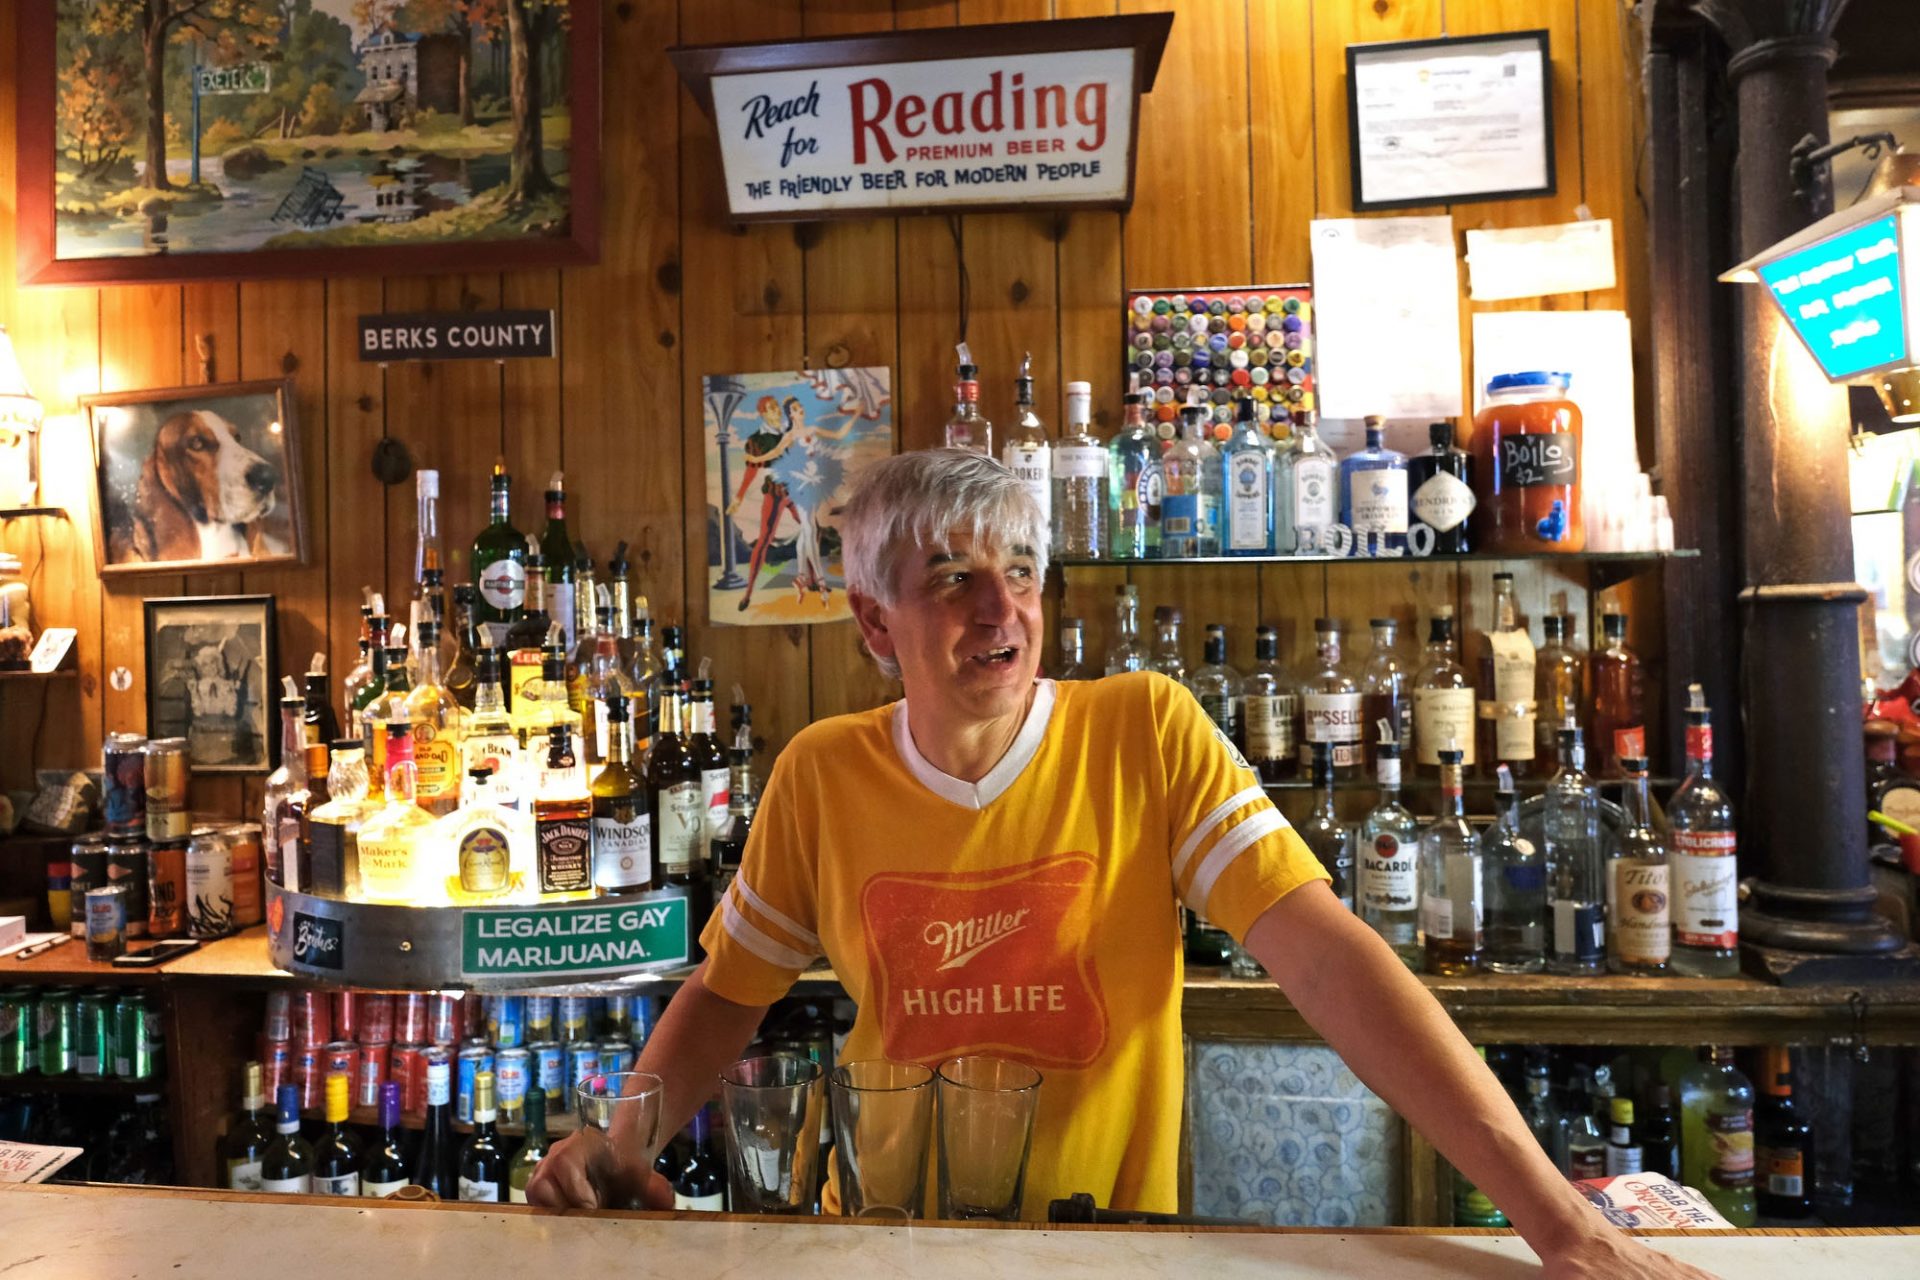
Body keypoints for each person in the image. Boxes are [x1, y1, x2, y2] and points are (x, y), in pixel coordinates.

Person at [528, 449, 1711, 1279]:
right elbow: (730, 990)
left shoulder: (1145, 727)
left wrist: (1555, 1220)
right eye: (952, 575)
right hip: (879, 1241)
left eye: (1024, 571)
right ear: (876, 622)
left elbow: (1331, 959)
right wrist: (622, 1140)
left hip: (1107, 1244)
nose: (1004, 606)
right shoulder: (822, 772)